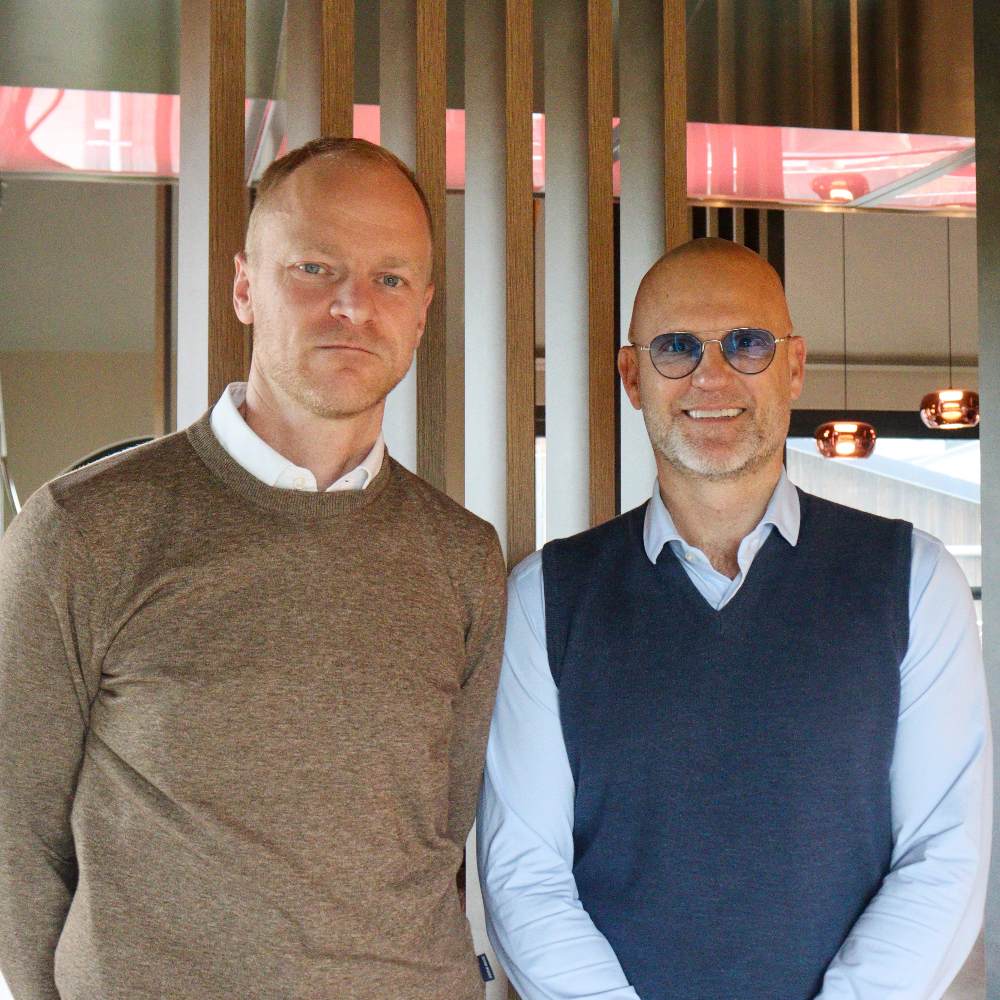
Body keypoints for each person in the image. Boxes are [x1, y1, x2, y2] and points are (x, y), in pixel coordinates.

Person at [0, 137, 507, 1000]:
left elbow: (441, 826)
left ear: (421, 312)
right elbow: (15, 834)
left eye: (390, 278)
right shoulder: (82, 528)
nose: (354, 305)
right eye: (314, 267)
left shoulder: (461, 554)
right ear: (245, 286)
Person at [478, 238, 990, 1000]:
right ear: (631, 376)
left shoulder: (914, 581)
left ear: (794, 365)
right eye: (675, 347)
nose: (711, 376)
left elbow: (945, 856)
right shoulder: (545, 597)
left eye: (747, 344)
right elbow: (522, 874)